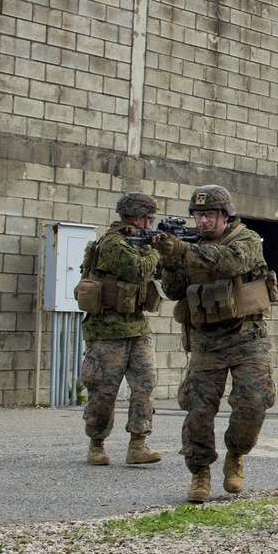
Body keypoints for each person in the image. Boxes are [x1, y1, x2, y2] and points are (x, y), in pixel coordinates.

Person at [153, 185, 276, 503]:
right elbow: (174, 290)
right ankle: (200, 472)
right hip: (206, 341)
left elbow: (229, 263)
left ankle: (236, 454)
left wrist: (182, 250)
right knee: (198, 408)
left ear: (225, 214)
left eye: (209, 214)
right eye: (198, 214)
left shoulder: (245, 239)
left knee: (254, 402)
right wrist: (168, 261)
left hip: (248, 338)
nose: (203, 220)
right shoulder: (187, 246)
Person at [79, 192, 164, 467]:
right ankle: (97, 444)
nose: (151, 224)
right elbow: (137, 269)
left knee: (145, 384)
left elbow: (159, 272)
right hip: (107, 330)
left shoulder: (138, 242)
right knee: (104, 391)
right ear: (137, 217)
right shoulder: (114, 243)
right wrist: (156, 250)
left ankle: (138, 443)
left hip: (137, 326)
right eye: (149, 219)